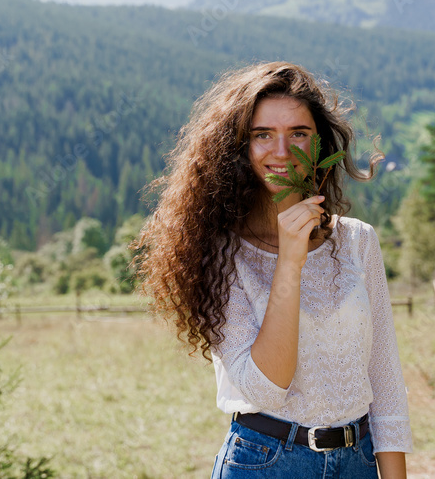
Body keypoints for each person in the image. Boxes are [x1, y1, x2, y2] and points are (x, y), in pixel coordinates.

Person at [133, 62, 412, 478]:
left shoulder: (357, 240)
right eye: (262, 135)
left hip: (359, 461)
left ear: (320, 144)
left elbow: (385, 380)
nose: (281, 152)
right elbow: (267, 387)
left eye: (298, 134)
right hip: (268, 462)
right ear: (237, 148)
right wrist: (290, 263)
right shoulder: (220, 252)